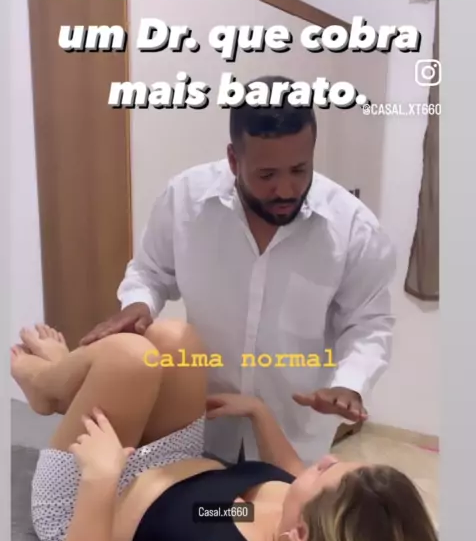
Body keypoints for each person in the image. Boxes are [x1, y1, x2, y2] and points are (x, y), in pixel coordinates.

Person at [11, 322, 438, 541]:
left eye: (327, 471)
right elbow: (287, 475)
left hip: (85, 504)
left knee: (129, 357)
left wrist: (101, 479)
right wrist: (259, 414)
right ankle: (67, 377)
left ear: (300, 534)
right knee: (177, 340)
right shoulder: (295, 530)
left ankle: (47, 383)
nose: (325, 460)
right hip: (175, 474)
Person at [79, 75, 397, 465]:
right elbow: (150, 271)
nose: (286, 190)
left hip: (292, 434)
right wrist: (139, 303)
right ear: (234, 160)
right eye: (267, 175)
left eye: (300, 170)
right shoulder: (185, 200)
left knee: (277, 508)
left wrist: (350, 384)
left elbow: (368, 323)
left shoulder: (352, 229)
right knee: (204, 508)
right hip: (202, 421)